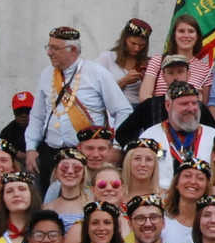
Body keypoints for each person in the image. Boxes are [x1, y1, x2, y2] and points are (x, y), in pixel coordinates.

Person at [24, 26, 133, 179]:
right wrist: (31, 148)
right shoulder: (47, 74)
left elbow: (123, 111)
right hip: (51, 153)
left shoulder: (97, 72)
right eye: (49, 47)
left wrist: (116, 146)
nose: (49, 52)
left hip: (87, 155)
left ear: (73, 50)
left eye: (55, 48)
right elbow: (37, 115)